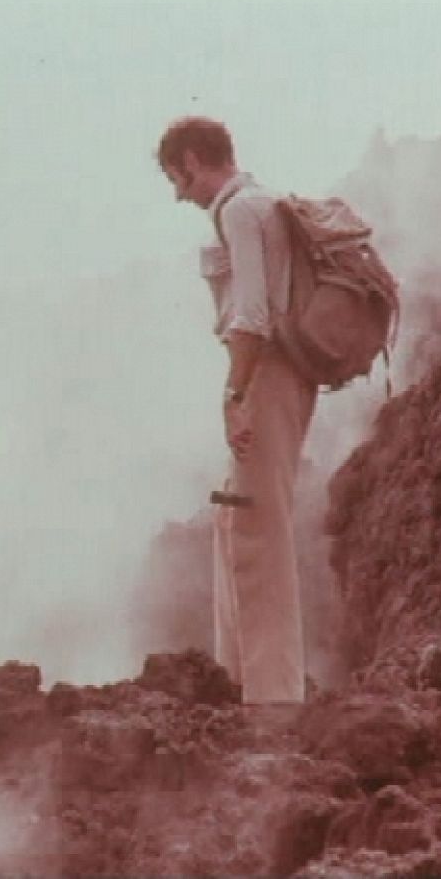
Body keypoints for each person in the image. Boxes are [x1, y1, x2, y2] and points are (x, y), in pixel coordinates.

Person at [157, 117, 316, 706]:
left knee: (257, 528)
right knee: (236, 517)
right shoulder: (261, 203)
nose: (180, 194)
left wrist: (234, 397)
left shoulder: (240, 210)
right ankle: (241, 681)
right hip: (279, 375)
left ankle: (272, 700)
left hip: (266, 376)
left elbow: (251, 315)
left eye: (179, 178)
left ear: (196, 160)